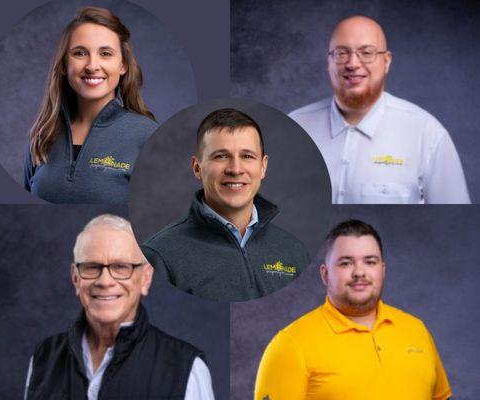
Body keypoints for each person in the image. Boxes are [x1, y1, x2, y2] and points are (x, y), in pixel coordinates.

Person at [255, 219, 451, 400]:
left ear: (382, 270)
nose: (359, 272)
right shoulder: (290, 345)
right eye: (346, 263)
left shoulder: (416, 330)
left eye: (370, 261)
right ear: (325, 274)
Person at [24, 214, 214, 400]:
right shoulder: (44, 358)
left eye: (121, 267)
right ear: (76, 278)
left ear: (145, 278)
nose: (105, 281)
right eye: (91, 267)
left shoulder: (186, 369)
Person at [289, 15, 470, 204]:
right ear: (329, 62)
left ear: (386, 61)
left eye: (366, 53)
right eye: (341, 53)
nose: (352, 63)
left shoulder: (427, 134)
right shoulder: (293, 128)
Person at [141, 108, 310, 301]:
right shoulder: (160, 256)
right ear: (197, 168)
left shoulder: (293, 252)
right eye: (221, 156)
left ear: (262, 167)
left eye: (247, 156)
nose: (235, 169)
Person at [24, 7, 157, 203]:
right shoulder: (42, 135)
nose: (92, 65)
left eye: (105, 53)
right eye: (80, 53)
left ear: (123, 65)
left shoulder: (148, 136)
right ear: (63, 65)